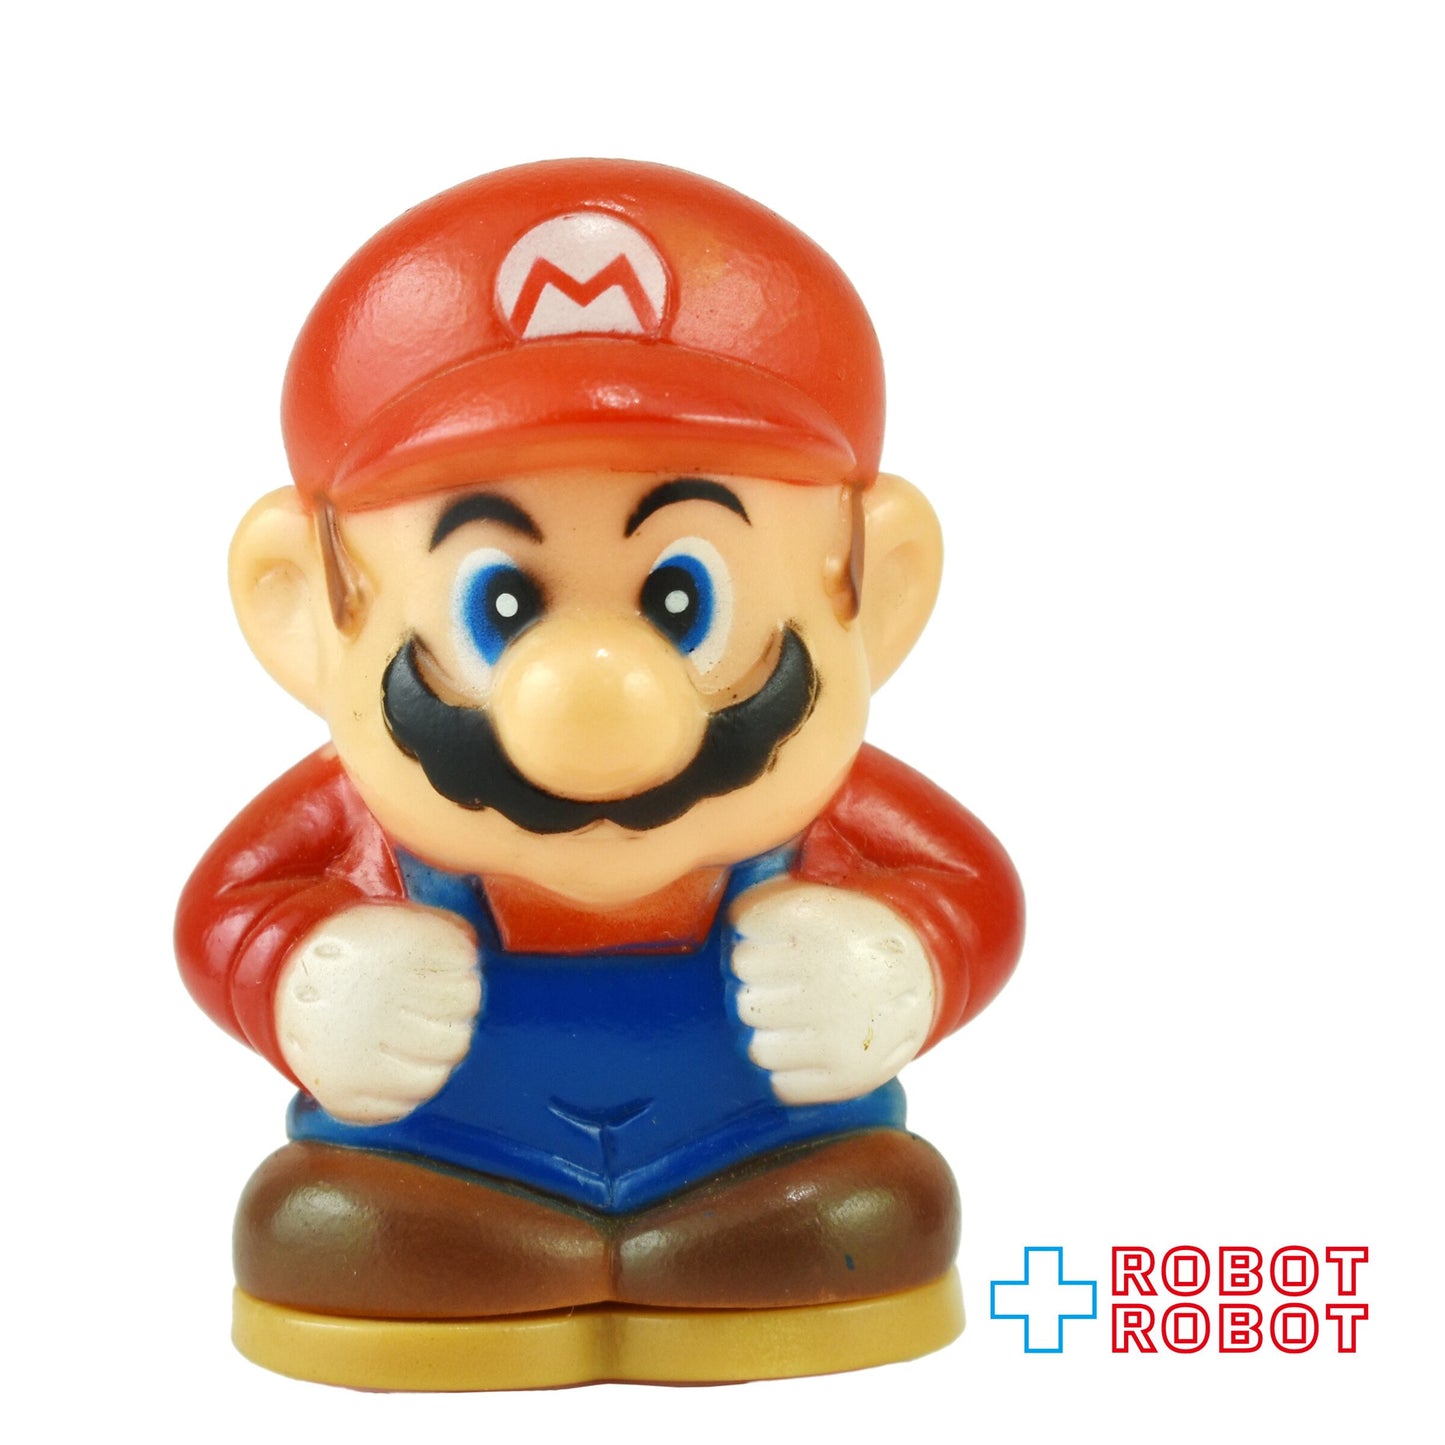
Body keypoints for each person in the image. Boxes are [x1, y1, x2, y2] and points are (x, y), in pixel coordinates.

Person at [177, 158, 1024, 1388]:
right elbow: (228, 915)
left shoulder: (827, 805)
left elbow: (969, 893)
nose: (592, 698)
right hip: (443, 1163)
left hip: (758, 1155)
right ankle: (464, 1242)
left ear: (871, 591)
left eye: (683, 598)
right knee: (324, 1224)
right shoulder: (356, 815)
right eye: (499, 604)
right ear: (306, 611)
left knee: (868, 1205)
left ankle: (739, 1238)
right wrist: (307, 976)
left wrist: (896, 960)